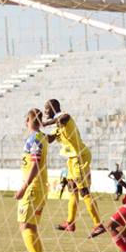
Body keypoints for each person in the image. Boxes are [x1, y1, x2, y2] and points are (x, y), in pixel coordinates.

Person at [42, 99, 105, 238]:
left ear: (53, 108)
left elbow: (64, 117)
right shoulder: (58, 124)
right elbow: (51, 138)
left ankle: (98, 224)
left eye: (46, 109)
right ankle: (70, 222)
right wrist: (37, 133)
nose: (45, 112)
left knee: (84, 191)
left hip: (80, 157)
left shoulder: (63, 117)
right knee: (72, 189)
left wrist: (45, 123)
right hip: (71, 159)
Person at [16, 109, 50, 252]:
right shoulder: (42, 137)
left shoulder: (34, 139)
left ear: (28, 120)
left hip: (33, 188)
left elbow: (35, 164)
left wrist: (24, 186)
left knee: (24, 225)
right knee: (32, 227)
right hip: (41, 188)